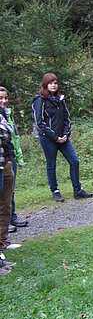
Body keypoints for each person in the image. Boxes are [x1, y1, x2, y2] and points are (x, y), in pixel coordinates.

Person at [32, 73, 92, 202]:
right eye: (51, 83)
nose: (54, 85)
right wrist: (55, 137)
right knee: (51, 165)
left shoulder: (60, 99)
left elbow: (66, 118)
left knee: (74, 161)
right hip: (48, 138)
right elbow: (39, 123)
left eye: (55, 83)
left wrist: (66, 134)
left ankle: (77, 190)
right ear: (45, 85)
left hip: (62, 138)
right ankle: (55, 191)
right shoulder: (40, 100)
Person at [0, 87, 28, 232]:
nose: (4, 101)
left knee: (10, 191)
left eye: (6, 98)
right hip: (3, 158)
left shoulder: (8, 114)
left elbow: (14, 138)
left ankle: (11, 218)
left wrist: (17, 158)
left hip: (11, 156)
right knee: (2, 192)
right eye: (0, 98)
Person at [0, 104, 18, 270]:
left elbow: (8, 132)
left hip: (4, 162)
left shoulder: (3, 113)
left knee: (5, 205)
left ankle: (2, 243)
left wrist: (10, 159)